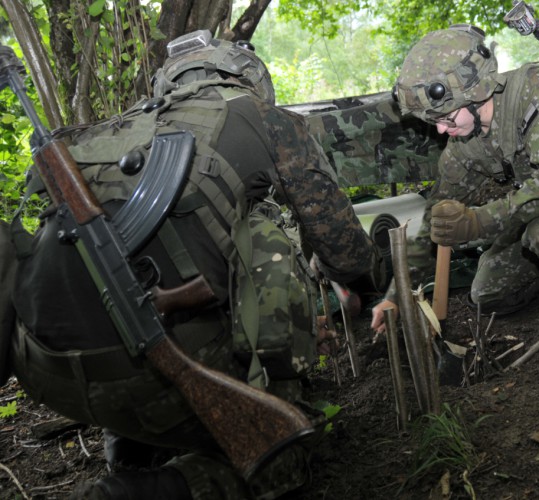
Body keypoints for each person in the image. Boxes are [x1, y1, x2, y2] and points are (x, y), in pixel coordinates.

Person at [6, 30, 380, 499]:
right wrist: (365, 285)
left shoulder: (110, 134)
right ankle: (144, 490)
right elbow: (344, 251)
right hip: (153, 373)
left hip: (45, 371)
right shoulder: (261, 117)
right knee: (283, 449)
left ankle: (130, 442)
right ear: (249, 78)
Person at [371, 25, 539, 332]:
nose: (440, 130)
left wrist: (479, 221)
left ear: (476, 93)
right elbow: (435, 222)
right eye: (433, 121)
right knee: (487, 294)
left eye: (446, 117)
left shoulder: (538, 88)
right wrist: (395, 296)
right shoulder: (462, 144)